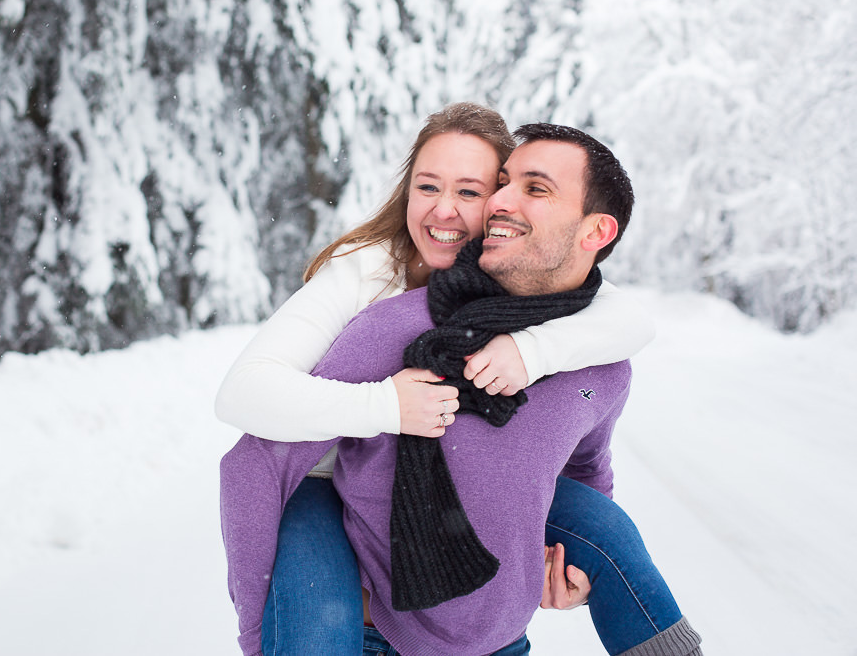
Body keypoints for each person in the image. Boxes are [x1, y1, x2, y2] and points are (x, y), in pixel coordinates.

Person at [217, 109, 700, 654]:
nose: (452, 209)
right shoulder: (374, 290)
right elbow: (248, 413)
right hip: (319, 482)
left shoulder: (587, 338)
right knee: (316, 620)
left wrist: (531, 350)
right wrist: (388, 405)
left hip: (494, 639)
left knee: (609, 533)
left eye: (475, 190)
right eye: (428, 186)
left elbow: (621, 338)